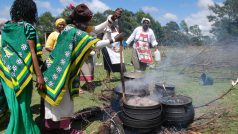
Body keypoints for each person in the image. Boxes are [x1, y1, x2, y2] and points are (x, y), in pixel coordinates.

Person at [38, 3, 124, 133]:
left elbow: (95, 29)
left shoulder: (69, 28)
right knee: (64, 103)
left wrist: (111, 18)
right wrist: (113, 39)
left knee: (53, 103)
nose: (87, 27)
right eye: (86, 24)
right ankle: (65, 129)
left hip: (52, 69)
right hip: (60, 73)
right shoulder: (76, 32)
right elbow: (94, 43)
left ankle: (52, 127)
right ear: (79, 22)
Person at [0, 0, 45, 134]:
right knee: (23, 105)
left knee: (14, 106)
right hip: (22, 72)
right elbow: (32, 52)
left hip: (6, 73)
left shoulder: (6, 27)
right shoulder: (27, 27)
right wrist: (39, 76)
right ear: (31, 11)